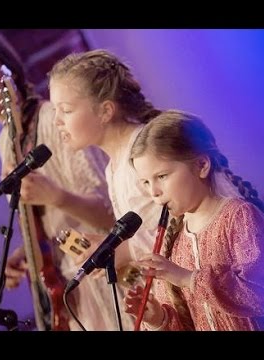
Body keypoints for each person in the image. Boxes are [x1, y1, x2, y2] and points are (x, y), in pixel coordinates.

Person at [0, 30, 118, 331]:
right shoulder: (5, 142)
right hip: (67, 292)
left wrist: (56, 196)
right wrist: (28, 252)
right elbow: (53, 224)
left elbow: (112, 214)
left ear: (9, 68)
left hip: (104, 276)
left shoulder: (55, 119)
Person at [123, 110, 264, 330]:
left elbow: (260, 294)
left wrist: (188, 279)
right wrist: (159, 319)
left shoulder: (239, 217)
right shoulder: (173, 245)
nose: (154, 192)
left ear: (201, 166)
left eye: (161, 176)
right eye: (146, 183)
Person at [48, 50, 165, 328]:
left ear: (105, 111)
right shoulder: (114, 168)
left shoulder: (144, 151)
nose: (57, 122)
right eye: (55, 112)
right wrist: (111, 246)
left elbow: (183, 227)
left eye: (66, 110)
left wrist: (123, 251)